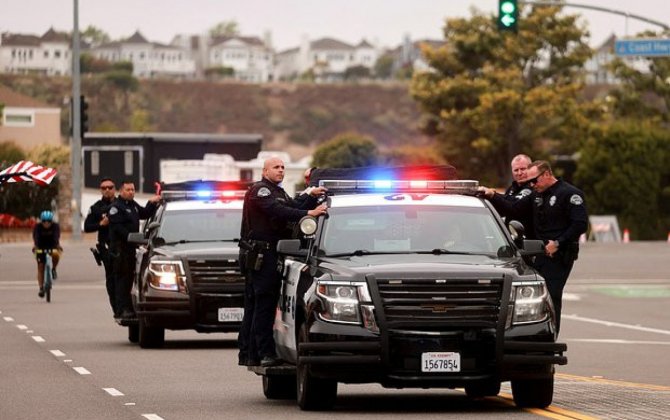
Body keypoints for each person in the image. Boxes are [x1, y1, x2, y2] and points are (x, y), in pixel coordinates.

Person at [478, 160, 588, 333]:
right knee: (536, 297)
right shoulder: (536, 194)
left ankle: (550, 335)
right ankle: (534, 332)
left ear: (546, 174)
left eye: (534, 180)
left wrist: (558, 243)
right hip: (539, 253)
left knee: (551, 296)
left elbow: (580, 224)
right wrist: (492, 195)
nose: (531, 185)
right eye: (529, 182)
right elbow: (513, 208)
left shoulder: (569, 194)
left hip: (559, 254)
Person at [237, 157, 327, 367]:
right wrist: (309, 213)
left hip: (270, 256)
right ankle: (264, 353)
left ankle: (252, 354)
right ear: (265, 170)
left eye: (283, 167)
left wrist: (309, 196)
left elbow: (291, 205)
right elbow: (278, 211)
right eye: (276, 167)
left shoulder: (278, 191)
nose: (281, 171)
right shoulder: (261, 190)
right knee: (263, 306)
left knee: (260, 306)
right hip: (260, 256)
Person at [108, 181, 161, 321]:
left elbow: (144, 213)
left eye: (133, 189)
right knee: (121, 282)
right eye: (128, 189)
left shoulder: (133, 205)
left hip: (131, 249)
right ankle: (121, 310)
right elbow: (118, 229)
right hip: (120, 251)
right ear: (121, 191)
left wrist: (152, 202)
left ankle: (128, 308)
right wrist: (132, 237)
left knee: (129, 281)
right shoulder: (115, 208)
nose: (131, 192)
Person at [84, 178, 117, 314]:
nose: (107, 190)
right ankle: (116, 307)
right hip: (106, 247)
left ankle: (126, 306)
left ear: (114, 188)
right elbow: (87, 227)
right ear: (101, 190)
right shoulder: (96, 208)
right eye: (104, 188)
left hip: (123, 246)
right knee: (111, 277)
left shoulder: (122, 204)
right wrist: (100, 224)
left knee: (125, 278)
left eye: (110, 187)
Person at [503, 154, 535, 238]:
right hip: (510, 238)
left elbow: (514, 207)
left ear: (531, 168)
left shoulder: (535, 187)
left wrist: (493, 195)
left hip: (529, 240)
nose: (519, 173)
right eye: (516, 170)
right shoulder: (511, 189)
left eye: (523, 169)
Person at [32, 210, 62, 298]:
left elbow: (56, 236)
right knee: (40, 267)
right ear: (41, 221)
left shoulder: (55, 226)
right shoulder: (37, 227)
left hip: (52, 245)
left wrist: (57, 246)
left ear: (51, 221)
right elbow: (36, 237)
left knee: (56, 255)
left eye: (48, 221)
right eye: (44, 221)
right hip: (41, 246)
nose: (46, 223)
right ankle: (41, 288)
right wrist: (36, 247)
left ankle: (53, 269)